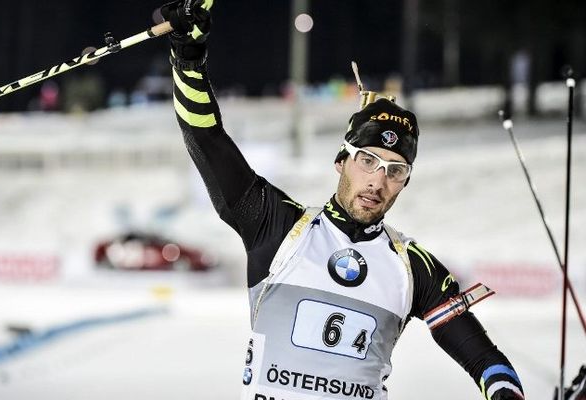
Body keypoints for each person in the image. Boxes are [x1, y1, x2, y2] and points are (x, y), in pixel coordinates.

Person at [159, 1, 525, 399]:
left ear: (405, 183)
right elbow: (206, 139)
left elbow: (484, 359)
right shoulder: (277, 226)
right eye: (367, 161)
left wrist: (505, 391)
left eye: (395, 170)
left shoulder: (413, 267)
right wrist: (188, 59)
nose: (377, 181)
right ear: (341, 160)